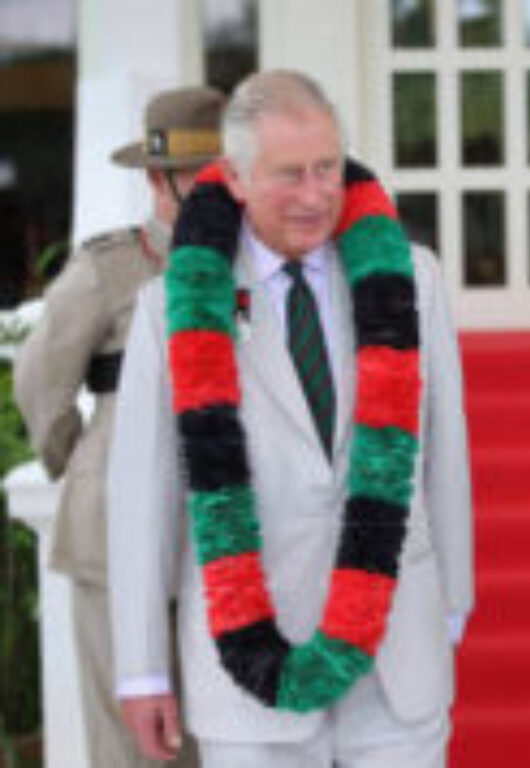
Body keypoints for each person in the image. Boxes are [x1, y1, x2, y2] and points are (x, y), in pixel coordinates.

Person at [106, 69, 473, 767]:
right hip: (248, 666)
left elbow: (444, 452)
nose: (314, 195)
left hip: (399, 646)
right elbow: (141, 497)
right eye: (289, 175)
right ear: (237, 178)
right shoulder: (174, 306)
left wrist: (451, 600)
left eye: (327, 168)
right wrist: (142, 667)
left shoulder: (414, 278)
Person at [14, 84, 225, 768]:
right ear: (161, 178)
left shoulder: (246, 265)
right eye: (205, 170)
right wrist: (87, 465)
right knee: (133, 739)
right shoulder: (111, 267)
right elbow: (40, 381)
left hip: (219, 539)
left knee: (216, 729)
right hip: (115, 531)